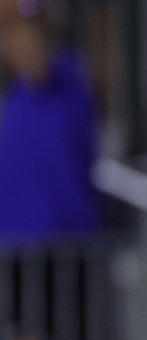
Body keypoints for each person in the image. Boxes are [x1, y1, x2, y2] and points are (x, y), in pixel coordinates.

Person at [0, 2, 101, 244]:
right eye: (12, 36)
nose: (23, 46)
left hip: (72, 244)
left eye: (28, 33)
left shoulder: (74, 85)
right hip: (15, 249)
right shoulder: (12, 104)